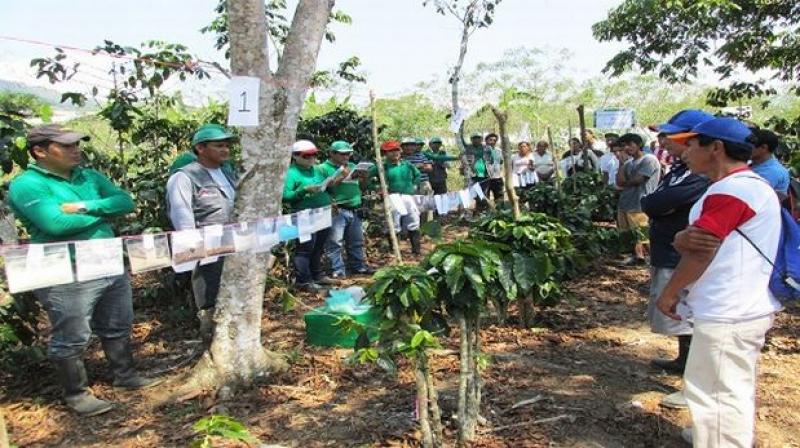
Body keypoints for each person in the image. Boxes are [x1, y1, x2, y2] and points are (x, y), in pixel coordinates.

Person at [9, 124, 158, 416]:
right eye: (65, 146)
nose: (75, 149)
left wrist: (79, 207)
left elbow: (125, 202)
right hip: (65, 270)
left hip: (106, 260)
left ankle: (124, 374)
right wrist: (103, 211)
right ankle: (76, 393)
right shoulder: (27, 184)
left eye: (76, 144)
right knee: (72, 333)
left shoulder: (89, 176)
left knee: (117, 322)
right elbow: (54, 224)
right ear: (40, 151)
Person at [656, 117, 782, 447]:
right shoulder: (748, 186)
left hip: (729, 310)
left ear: (716, 148)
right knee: (724, 385)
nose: (686, 152)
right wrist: (687, 237)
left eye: (693, 145)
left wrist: (670, 292)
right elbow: (699, 239)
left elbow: (701, 247)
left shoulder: (732, 190)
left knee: (717, 393)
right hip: (737, 306)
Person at [640, 109, 714, 409]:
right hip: (668, 250)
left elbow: (663, 202)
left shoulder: (702, 176)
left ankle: (695, 385)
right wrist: (658, 206)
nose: (665, 141)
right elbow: (653, 201)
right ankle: (683, 363)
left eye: (672, 136)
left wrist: (659, 206)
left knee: (690, 317)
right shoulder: (679, 170)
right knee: (681, 319)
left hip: (680, 256)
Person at [166, 124, 238, 337]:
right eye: (219, 146)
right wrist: (192, 246)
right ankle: (210, 330)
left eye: (226, 145)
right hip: (206, 242)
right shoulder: (184, 177)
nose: (225, 150)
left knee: (231, 287)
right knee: (209, 288)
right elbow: (181, 214)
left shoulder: (226, 172)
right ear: (200, 148)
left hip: (232, 239)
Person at [282, 140, 336, 292]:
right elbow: (286, 196)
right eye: (307, 156)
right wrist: (304, 190)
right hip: (304, 216)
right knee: (305, 247)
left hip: (322, 213)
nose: (311, 159)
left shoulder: (317, 170)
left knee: (319, 246)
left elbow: (326, 189)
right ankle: (304, 281)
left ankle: (317, 275)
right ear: (295, 156)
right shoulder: (291, 173)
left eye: (314, 155)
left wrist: (330, 184)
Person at [321, 141, 373, 279]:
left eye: (348, 153)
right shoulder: (323, 168)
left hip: (354, 208)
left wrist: (362, 178)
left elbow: (360, 187)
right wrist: (341, 177)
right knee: (335, 242)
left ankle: (358, 266)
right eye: (343, 154)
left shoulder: (351, 166)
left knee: (356, 241)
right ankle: (337, 270)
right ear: (332, 153)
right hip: (337, 209)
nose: (346, 156)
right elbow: (321, 188)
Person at [615, 133, 662, 265]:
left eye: (630, 144)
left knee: (642, 233)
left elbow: (638, 180)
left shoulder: (649, 159)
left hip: (640, 202)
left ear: (639, 144)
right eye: (624, 145)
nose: (627, 148)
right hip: (625, 202)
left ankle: (653, 259)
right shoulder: (628, 163)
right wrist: (621, 163)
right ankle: (637, 256)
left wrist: (625, 183)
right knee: (628, 233)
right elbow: (619, 181)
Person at [374, 140, 423, 254]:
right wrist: (378, 188)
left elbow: (418, 175)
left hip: (408, 197)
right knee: (394, 223)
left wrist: (415, 185)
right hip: (392, 197)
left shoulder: (407, 164)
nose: (394, 153)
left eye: (396, 150)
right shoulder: (382, 167)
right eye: (390, 151)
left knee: (413, 221)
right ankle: (394, 251)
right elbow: (368, 177)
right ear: (385, 153)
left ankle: (416, 250)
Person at [750, 128, 790, 200]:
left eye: (750, 145)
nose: (745, 147)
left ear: (764, 148)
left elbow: (751, 196)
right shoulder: (755, 162)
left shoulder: (772, 172)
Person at [483, 133, 505, 204]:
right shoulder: (482, 150)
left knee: (499, 197)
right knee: (485, 197)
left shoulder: (499, 150)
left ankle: (500, 213)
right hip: (485, 178)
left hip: (497, 177)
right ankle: (486, 213)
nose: (493, 141)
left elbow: (501, 161)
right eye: (490, 140)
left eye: (495, 140)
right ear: (486, 141)